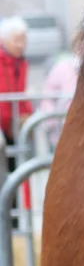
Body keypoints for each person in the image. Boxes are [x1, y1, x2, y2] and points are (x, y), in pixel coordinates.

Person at [39, 31, 84, 148]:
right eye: (81, 43)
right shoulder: (62, 67)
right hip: (62, 130)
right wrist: (53, 121)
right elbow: (47, 98)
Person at [0, 16, 33, 174]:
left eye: (23, 39)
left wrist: (28, 114)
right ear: (4, 40)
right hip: (3, 125)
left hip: (13, 125)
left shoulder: (21, 62)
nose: (21, 45)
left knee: (14, 172)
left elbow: (20, 94)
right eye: (17, 40)